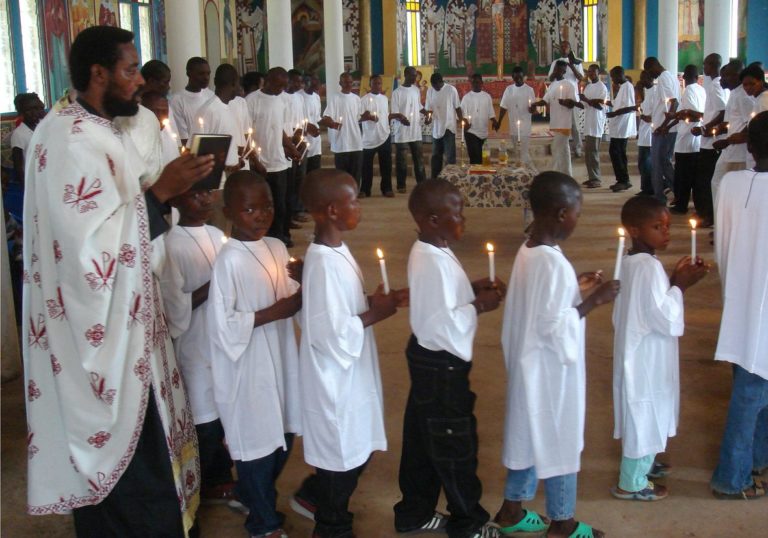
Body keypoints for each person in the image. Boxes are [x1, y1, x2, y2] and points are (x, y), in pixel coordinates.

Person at [23, 25, 214, 536]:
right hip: (101, 338)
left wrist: (166, 188)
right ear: (98, 73)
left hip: (129, 325)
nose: (139, 82)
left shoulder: (102, 127)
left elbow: (114, 215)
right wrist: (158, 196)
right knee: (129, 481)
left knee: (149, 468)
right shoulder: (68, 136)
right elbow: (84, 254)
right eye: (130, 71)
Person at [494, 172, 619, 538]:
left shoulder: (530, 249)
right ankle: (563, 521)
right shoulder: (550, 262)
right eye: (578, 213)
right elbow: (552, 325)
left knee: (528, 432)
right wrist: (595, 299)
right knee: (559, 435)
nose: (578, 220)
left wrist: (573, 286)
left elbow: (542, 303)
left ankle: (511, 509)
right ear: (563, 213)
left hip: (527, 364)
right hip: (549, 370)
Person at [393, 179, 506, 538]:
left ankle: (414, 512)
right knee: (454, 444)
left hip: (429, 359)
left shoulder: (434, 249)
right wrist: (479, 306)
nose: (464, 220)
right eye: (457, 213)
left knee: (423, 442)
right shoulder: (431, 261)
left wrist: (471, 291)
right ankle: (467, 523)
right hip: (442, 364)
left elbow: (440, 302)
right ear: (431, 220)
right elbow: (441, 323)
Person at [297, 169, 401, 538]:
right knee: (342, 455)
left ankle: (314, 497)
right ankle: (331, 526)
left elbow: (342, 308)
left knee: (360, 444)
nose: (359, 207)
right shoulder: (323, 263)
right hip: (334, 377)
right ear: (331, 211)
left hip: (351, 372)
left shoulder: (336, 250)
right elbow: (329, 333)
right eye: (353, 200)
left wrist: (376, 302)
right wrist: (375, 313)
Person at [207, 171, 303, 537]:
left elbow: (290, 287)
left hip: (280, 359)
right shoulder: (228, 261)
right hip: (246, 369)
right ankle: (263, 523)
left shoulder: (277, 247)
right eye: (250, 209)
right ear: (230, 212)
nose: (261, 215)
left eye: (267, 206)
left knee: (284, 435)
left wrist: (305, 281)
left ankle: (248, 494)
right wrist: (275, 312)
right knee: (258, 446)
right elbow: (222, 325)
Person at [611, 196, 708, 501]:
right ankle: (632, 482)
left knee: (646, 411)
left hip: (641, 353)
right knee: (645, 413)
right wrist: (679, 285)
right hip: (645, 359)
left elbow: (647, 304)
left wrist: (672, 281)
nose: (665, 232)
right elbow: (664, 318)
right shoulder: (648, 268)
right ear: (634, 230)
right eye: (657, 226)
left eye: (667, 226)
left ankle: (645, 463)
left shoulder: (632, 262)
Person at [160, 187, 239, 507]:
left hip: (222, 340)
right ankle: (202, 481)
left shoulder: (217, 234)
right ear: (175, 198)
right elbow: (175, 309)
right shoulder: (168, 245)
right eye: (196, 195)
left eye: (209, 194)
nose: (206, 200)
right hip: (194, 343)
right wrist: (216, 282)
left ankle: (219, 473)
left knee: (223, 412)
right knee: (203, 418)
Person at [709, 111, 768, 501]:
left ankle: (756, 460)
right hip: (760, 310)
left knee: (755, 389)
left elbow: (724, 242)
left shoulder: (730, 183)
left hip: (738, 298)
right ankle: (731, 477)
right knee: (751, 395)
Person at [245, 67, 301, 248]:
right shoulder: (252, 101)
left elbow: (280, 128)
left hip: (279, 162)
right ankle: (267, 238)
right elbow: (246, 133)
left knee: (281, 204)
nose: (282, 90)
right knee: (263, 205)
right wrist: (255, 160)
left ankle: (283, 235)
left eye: (284, 86)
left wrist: (291, 146)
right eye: (279, 85)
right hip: (260, 164)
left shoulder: (281, 101)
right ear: (268, 80)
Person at [690, 53, 727, 227]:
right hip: (708, 139)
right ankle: (706, 213)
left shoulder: (717, 85)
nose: (703, 68)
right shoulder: (712, 84)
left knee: (705, 180)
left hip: (713, 140)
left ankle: (709, 216)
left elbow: (722, 112)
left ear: (712, 65)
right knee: (703, 178)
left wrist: (705, 128)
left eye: (705, 65)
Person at [711, 60, 753, 205]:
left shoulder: (743, 95)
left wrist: (728, 141)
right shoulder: (735, 94)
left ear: (737, 75)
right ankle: (722, 224)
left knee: (725, 186)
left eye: (727, 75)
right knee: (718, 184)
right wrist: (723, 126)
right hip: (730, 148)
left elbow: (751, 123)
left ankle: (726, 225)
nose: (723, 79)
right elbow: (736, 120)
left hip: (738, 152)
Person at [194, 63, 244, 177]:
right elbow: (197, 151)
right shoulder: (208, 110)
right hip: (217, 180)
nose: (239, 88)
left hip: (230, 177)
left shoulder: (228, 107)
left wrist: (235, 160)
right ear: (233, 84)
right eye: (238, 84)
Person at [320, 72, 368, 189]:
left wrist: (365, 117)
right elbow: (326, 116)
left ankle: (354, 195)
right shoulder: (335, 98)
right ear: (340, 83)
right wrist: (331, 123)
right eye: (346, 82)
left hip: (356, 141)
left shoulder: (356, 99)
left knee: (356, 172)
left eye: (350, 82)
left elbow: (358, 118)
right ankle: (342, 195)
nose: (348, 84)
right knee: (342, 174)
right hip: (341, 142)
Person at [669, 65, 706, 214]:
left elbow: (695, 114)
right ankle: (692, 204)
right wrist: (677, 115)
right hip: (695, 141)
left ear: (683, 78)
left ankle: (681, 205)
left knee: (683, 176)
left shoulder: (689, 90)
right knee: (692, 176)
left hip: (686, 139)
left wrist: (681, 114)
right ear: (698, 78)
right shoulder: (701, 90)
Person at [532, 61, 579, 176]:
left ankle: (557, 174)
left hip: (564, 122)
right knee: (563, 150)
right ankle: (566, 174)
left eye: (559, 69)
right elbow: (545, 100)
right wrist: (534, 104)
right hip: (555, 122)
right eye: (555, 69)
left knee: (558, 148)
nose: (556, 71)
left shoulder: (569, 85)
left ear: (564, 71)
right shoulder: (552, 85)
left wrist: (565, 102)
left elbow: (573, 103)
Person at [644, 57, 680, 202]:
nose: (649, 74)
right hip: (665, 127)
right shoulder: (670, 76)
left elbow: (674, 102)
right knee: (663, 162)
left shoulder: (664, 78)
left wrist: (664, 125)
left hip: (663, 129)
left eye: (649, 71)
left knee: (658, 164)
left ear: (654, 66)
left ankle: (660, 197)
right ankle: (678, 191)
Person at [391, 66, 427, 193]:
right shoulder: (397, 92)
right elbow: (394, 112)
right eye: (412, 75)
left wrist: (427, 113)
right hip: (402, 131)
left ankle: (422, 184)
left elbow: (418, 106)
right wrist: (401, 118)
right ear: (405, 75)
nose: (414, 78)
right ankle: (401, 185)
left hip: (415, 131)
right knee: (401, 161)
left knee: (419, 159)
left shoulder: (416, 90)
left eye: (415, 75)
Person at [548, 41, 585, 157]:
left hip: (572, 96)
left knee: (575, 123)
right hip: (559, 95)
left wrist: (571, 65)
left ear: (570, 49)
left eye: (566, 47)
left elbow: (581, 78)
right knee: (559, 121)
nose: (564, 48)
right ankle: (561, 146)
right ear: (560, 49)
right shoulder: (556, 62)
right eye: (562, 47)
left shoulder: (577, 63)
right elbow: (550, 78)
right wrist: (556, 70)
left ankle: (577, 147)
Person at [605, 66, 638, 192]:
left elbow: (631, 107)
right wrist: (609, 103)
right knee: (618, 152)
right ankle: (622, 179)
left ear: (619, 74)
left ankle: (623, 180)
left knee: (616, 152)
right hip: (618, 125)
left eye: (613, 76)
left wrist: (614, 113)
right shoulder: (622, 87)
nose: (612, 79)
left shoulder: (628, 86)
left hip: (622, 125)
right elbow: (619, 103)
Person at [361, 74, 394, 198]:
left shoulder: (384, 99)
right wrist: (367, 117)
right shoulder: (363, 100)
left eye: (379, 83)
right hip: (369, 138)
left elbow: (386, 115)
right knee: (366, 166)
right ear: (370, 85)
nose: (377, 86)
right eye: (375, 83)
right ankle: (365, 189)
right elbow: (359, 118)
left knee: (386, 165)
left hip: (384, 135)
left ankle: (387, 188)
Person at [495, 67, 536, 165]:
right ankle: (522, 171)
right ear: (512, 77)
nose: (518, 80)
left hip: (525, 127)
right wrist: (499, 122)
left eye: (520, 77)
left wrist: (532, 109)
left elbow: (533, 108)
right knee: (517, 151)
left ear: (524, 77)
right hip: (513, 126)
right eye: (516, 78)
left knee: (524, 153)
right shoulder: (509, 90)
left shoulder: (529, 90)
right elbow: (503, 107)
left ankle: (531, 171)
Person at [576, 64, 608, 188]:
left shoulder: (602, 88)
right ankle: (591, 177)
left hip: (596, 122)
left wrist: (587, 99)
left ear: (598, 73)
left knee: (593, 151)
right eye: (589, 72)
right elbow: (584, 105)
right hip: (588, 122)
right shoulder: (588, 87)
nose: (590, 74)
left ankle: (596, 178)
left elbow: (600, 106)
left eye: (593, 72)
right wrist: (573, 102)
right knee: (588, 152)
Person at [169, 57, 214, 146]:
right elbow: (183, 138)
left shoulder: (211, 96)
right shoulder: (177, 100)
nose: (206, 78)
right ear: (189, 73)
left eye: (208, 74)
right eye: (201, 74)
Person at [425, 72, 462, 179]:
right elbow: (429, 109)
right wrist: (428, 118)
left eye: (436, 85)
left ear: (441, 82)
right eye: (432, 85)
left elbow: (457, 107)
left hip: (449, 126)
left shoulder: (451, 90)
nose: (434, 88)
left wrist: (461, 120)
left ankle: (450, 178)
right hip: (437, 127)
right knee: (436, 155)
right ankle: (435, 179)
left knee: (450, 156)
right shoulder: (430, 91)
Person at [285, 69, 309, 227]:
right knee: (289, 180)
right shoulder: (281, 98)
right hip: (288, 141)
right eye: (295, 81)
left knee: (300, 178)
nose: (299, 85)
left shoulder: (299, 98)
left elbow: (301, 118)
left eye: (300, 82)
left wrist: (303, 130)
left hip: (300, 141)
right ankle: (290, 213)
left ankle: (298, 209)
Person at [10, 92, 45, 185]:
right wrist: (25, 186)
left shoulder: (42, 126)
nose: (34, 113)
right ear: (22, 112)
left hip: (45, 178)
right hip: (32, 181)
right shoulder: (19, 134)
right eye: (29, 110)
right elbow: (18, 166)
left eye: (37, 109)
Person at [461, 73, 495, 165]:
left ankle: (481, 177)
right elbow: (461, 116)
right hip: (471, 131)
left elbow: (491, 113)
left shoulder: (487, 97)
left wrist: (494, 122)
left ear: (482, 83)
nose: (475, 84)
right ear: (470, 83)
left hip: (483, 132)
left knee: (483, 158)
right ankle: (475, 178)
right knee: (475, 158)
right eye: (473, 82)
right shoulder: (466, 98)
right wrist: (465, 123)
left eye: (478, 82)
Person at [740, 62, 767, 170]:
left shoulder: (764, 101)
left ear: (761, 82)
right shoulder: (758, 99)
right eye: (745, 85)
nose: (748, 88)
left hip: (762, 157)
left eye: (752, 84)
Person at [635, 71, 656, 196]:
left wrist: (645, 116)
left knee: (646, 162)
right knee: (642, 162)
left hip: (650, 133)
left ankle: (649, 189)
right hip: (644, 132)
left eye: (643, 78)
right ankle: (645, 188)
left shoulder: (655, 92)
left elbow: (654, 113)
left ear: (650, 78)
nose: (641, 80)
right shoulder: (647, 92)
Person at [299, 74, 323, 175]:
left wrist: (330, 123)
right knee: (303, 173)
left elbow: (317, 118)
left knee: (315, 172)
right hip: (302, 139)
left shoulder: (316, 97)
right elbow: (295, 119)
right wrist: (307, 127)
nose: (318, 83)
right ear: (305, 83)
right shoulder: (299, 96)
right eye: (314, 80)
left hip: (315, 141)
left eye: (318, 80)